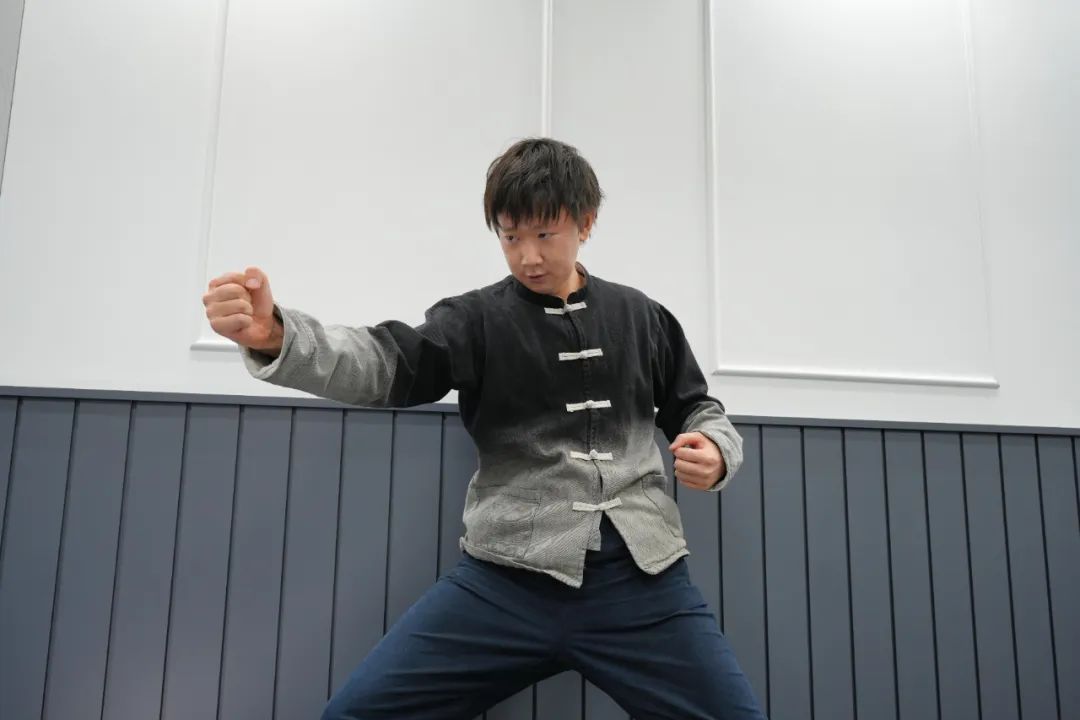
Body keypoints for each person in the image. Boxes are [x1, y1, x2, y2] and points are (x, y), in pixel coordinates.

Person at [202, 138, 767, 719]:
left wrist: (716, 450)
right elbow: (383, 362)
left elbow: (698, 407)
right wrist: (277, 335)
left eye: (544, 234)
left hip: (644, 582)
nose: (528, 257)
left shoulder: (642, 316)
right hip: (505, 581)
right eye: (510, 237)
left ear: (586, 223)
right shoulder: (473, 319)